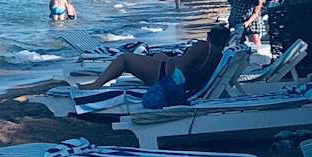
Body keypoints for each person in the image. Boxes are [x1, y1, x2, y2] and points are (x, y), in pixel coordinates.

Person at [82, 24, 230, 96]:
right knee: (158, 55)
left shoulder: (202, 46)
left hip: (165, 77)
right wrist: (169, 59)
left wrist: (170, 62)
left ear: (210, 36)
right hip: (174, 75)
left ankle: (96, 85)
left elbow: (180, 70)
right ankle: (150, 62)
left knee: (124, 59)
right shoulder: (219, 55)